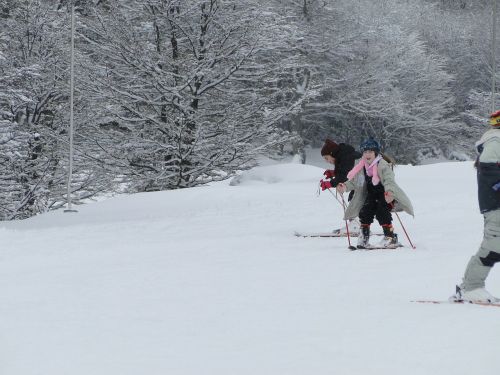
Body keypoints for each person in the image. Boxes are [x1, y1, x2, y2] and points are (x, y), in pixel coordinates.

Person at [452, 110, 500, 303]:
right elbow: (488, 168)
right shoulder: (496, 140)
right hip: (496, 204)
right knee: (494, 245)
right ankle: (471, 287)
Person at [336, 138, 414, 248]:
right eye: (365, 152)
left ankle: (390, 237)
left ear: (375, 153)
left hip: (385, 194)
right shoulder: (362, 167)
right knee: (365, 212)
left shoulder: (382, 165)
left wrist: (390, 192)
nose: (367, 154)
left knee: (382, 212)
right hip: (370, 194)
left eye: (370, 152)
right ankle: (364, 236)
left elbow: (389, 180)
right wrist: (344, 186)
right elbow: (355, 182)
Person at [319, 139, 362, 234]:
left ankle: (356, 226)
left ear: (332, 153)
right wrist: (333, 173)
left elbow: (344, 176)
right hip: (360, 179)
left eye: (327, 158)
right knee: (354, 198)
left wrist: (330, 183)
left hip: (367, 179)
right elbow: (346, 170)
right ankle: (355, 224)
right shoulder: (342, 155)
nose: (327, 161)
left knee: (356, 198)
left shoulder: (345, 155)